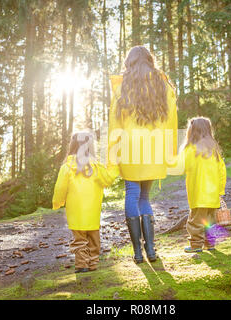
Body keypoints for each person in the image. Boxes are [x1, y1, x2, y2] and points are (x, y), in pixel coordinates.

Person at [108, 46, 178, 263]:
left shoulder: (122, 87)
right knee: (145, 197)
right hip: (154, 148)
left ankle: (137, 252)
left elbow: (114, 126)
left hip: (129, 147)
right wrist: (170, 152)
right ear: (150, 60)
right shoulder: (163, 84)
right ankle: (151, 250)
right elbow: (172, 122)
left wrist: (112, 157)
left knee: (132, 192)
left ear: (129, 62)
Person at [53, 132, 118, 273]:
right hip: (93, 211)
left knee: (79, 238)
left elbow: (60, 188)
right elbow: (108, 179)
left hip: (75, 211)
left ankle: (82, 264)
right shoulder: (97, 167)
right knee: (94, 238)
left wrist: (57, 202)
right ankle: (93, 263)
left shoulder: (67, 167)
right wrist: (115, 166)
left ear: (72, 146)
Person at [169, 117, 226, 252]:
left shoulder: (190, 150)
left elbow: (179, 168)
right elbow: (222, 172)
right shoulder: (214, 151)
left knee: (195, 221)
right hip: (212, 196)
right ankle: (210, 244)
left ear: (192, 131)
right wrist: (220, 192)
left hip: (198, 195)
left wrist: (164, 167)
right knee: (211, 222)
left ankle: (195, 246)